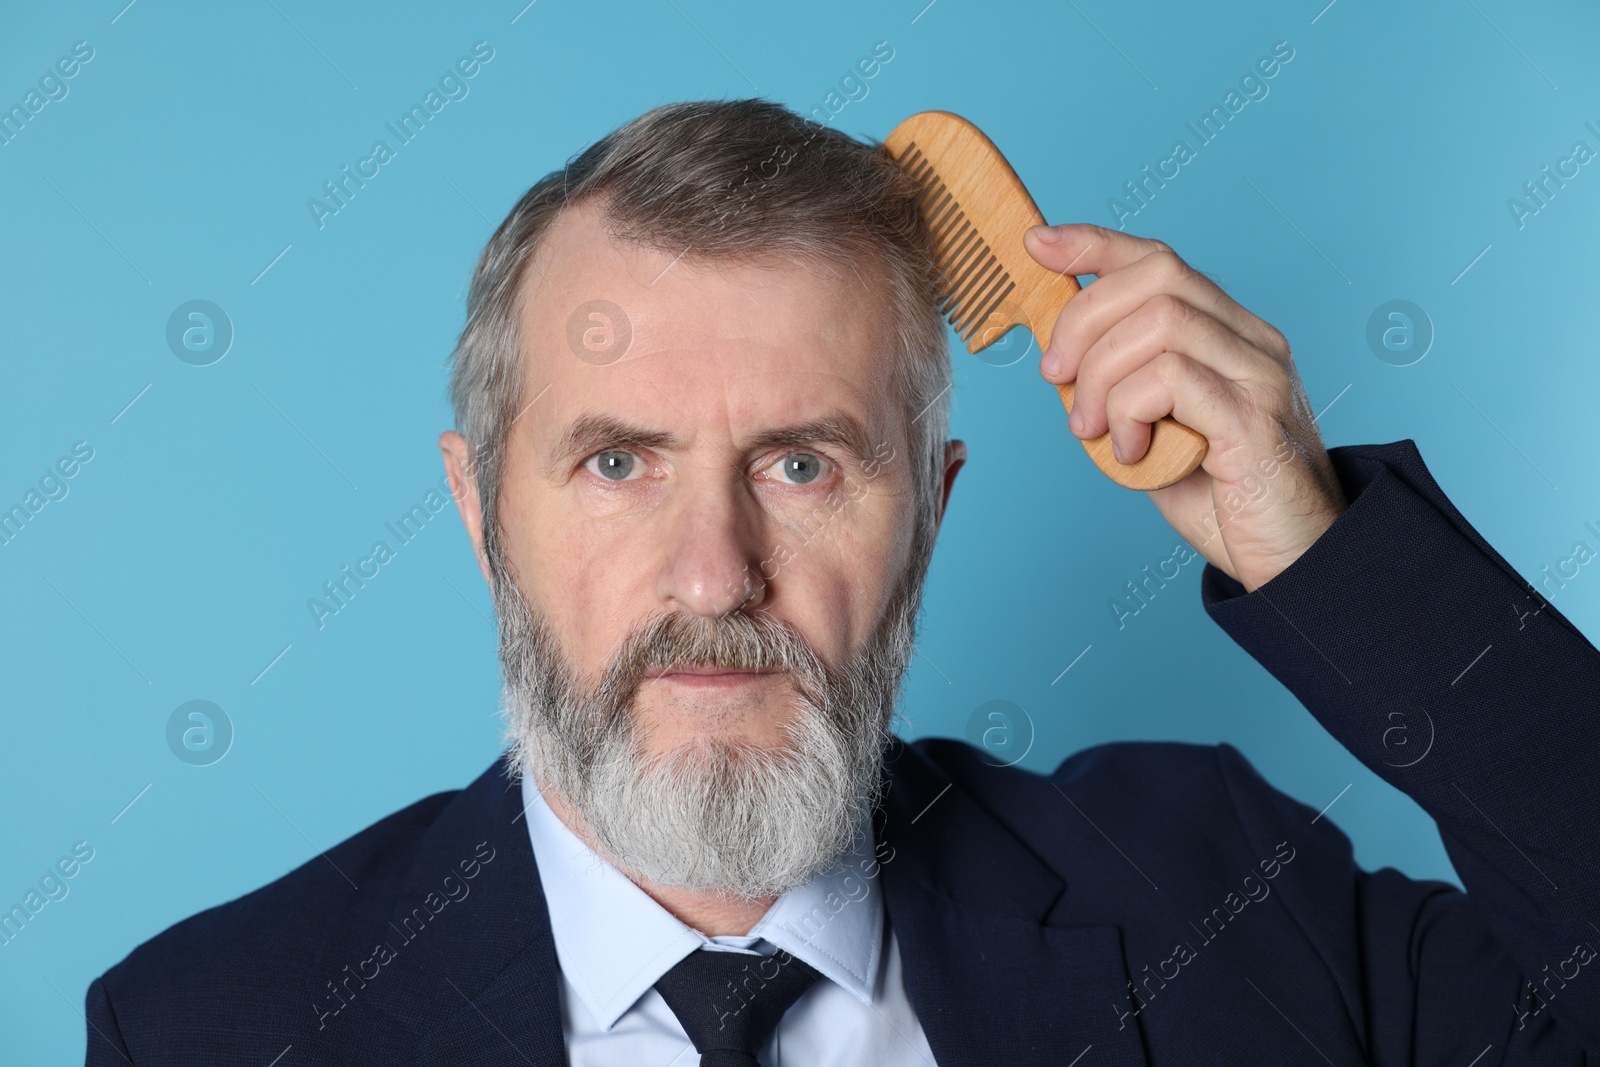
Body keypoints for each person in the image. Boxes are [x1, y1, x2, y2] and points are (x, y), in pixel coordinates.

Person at [85, 98, 1600, 1065]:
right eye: (619, 463)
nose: (714, 572)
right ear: (482, 514)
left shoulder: (1232, 898)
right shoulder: (213, 1026)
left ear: (929, 512)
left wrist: (1326, 554)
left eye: (802, 465)